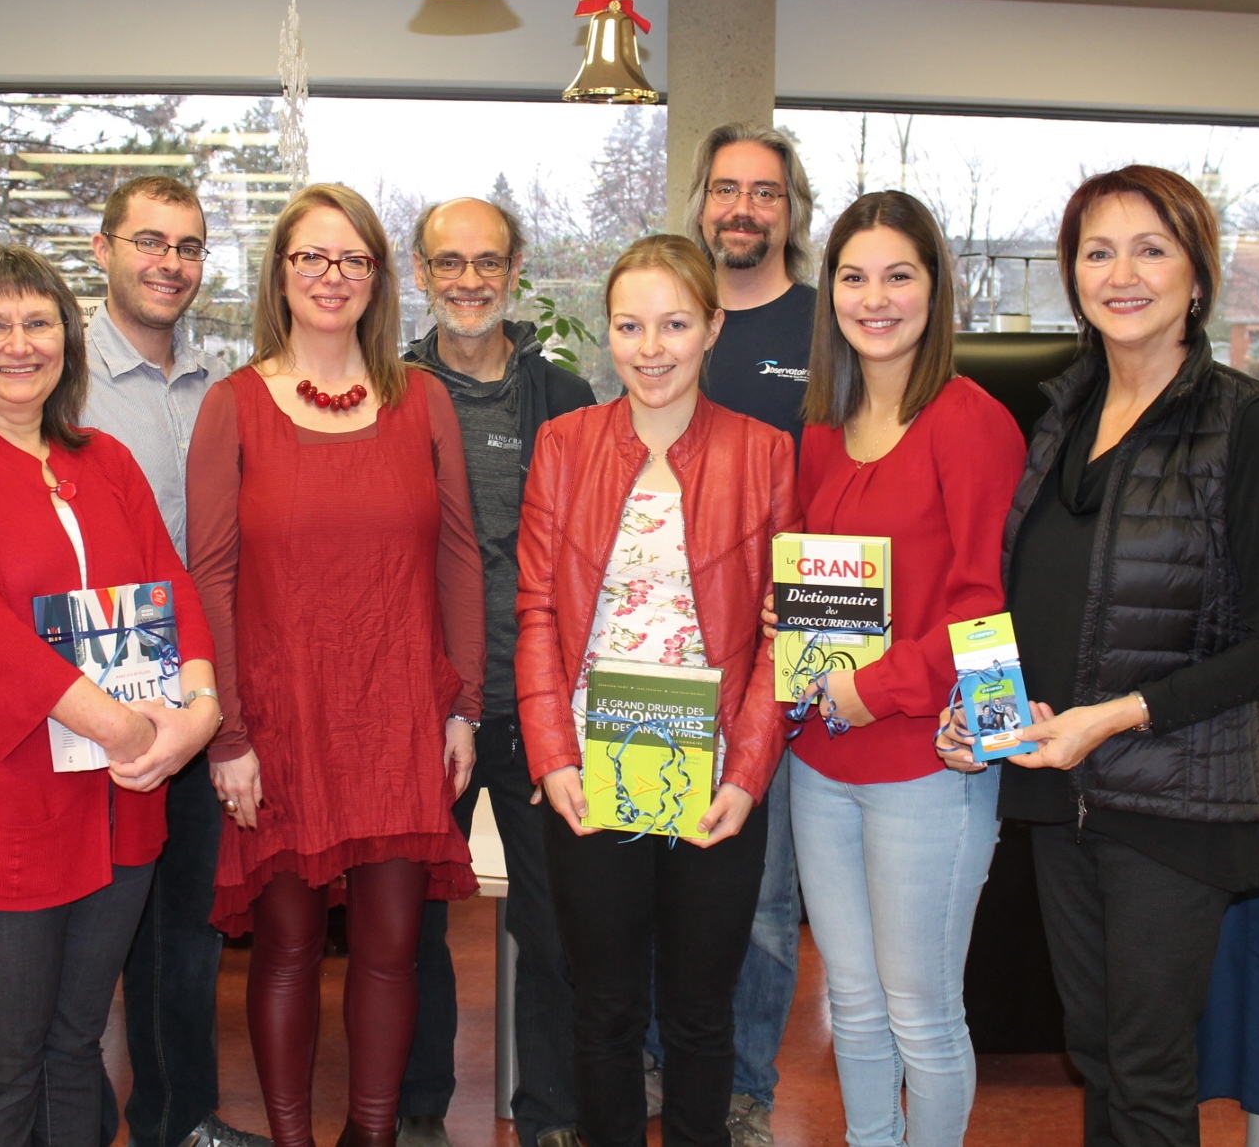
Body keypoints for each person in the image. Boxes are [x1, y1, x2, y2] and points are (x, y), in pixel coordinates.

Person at [941, 165, 1259, 1147]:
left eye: (1150, 248)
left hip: (1171, 799)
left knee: (1148, 1070)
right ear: (1070, 273)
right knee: (1097, 1050)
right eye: (1096, 250)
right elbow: (1031, 598)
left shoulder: (1236, 422)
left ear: (1194, 274)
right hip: (1059, 793)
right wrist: (980, 710)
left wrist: (1111, 717)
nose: (1122, 272)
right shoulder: (1060, 414)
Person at [0, 243, 221, 1146]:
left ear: (65, 339)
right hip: (1, 805)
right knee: (1, 1057)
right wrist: (129, 731)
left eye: (36, 323)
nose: (17, 344)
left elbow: (170, 584)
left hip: (115, 799)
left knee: (75, 1045)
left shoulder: (101, 457)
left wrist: (202, 708)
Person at [185, 183, 485, 1147]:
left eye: (352, 259)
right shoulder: (232, 407)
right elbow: (211, 577)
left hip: (397, 714)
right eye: (311, 257)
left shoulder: (422, 400)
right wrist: (227, 733)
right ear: (279, 272)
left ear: (377, 279)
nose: (331, 277)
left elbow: (458, 560)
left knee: (392, 951)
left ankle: (372, 1136)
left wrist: (462, 710)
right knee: (285, 948)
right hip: (280, 725)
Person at [518, 233, 800, 1147]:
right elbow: (533, 617)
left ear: (712, 326)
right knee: (599, 1012)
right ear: (607, 332)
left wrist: (748, 774)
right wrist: (553, 757)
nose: (652, 348)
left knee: (697, 1016)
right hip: (593, 768)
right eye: (631, 326)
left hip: (715, 775)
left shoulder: (763, 454)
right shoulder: (563, 447)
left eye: (675, 324)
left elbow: (780, 643)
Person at [764, 190, 1023, 1147]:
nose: (874, 298)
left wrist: (867, 689)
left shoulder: (970, 424)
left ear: (934, 288)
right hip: (822, 765)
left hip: (926, 764)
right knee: (854, 1009)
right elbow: (815, 578)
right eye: (853, 276)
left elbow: (986, 611)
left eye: (898, 275)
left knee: (922, 1014)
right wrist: (781, 613)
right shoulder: (822, 427)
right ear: (829, 291)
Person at [398, 197, 595, 1147]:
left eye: (486, 262)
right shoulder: (382, 393)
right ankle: (417, 1106)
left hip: (536, 705)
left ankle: (549, 1112)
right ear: (420, 271)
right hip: (419, 707)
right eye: (448, 263)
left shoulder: (563, 399)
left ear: (515, 271)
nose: (467, 281)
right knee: (412, 925)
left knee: (554, 923)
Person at [83, 174, 265, 1147]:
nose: (170, 263)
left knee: (184, 935)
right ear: (103, 247)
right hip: (89, 705)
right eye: (150, 242)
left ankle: (176, 1120)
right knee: (85, 941)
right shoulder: (52, 375)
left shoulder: (220, 389)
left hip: (194, 696)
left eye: (188, 247)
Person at [686, 122, 819, 1147]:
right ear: (699, 204)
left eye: (762, 192)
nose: (742, 207)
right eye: (725, 188)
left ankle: (742, 1089)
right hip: (666, 656)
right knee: (663, 873)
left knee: (766, 900)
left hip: (779, 658)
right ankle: (661, 1061)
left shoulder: (826, 332)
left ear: (790, 210)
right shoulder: (671, 320)